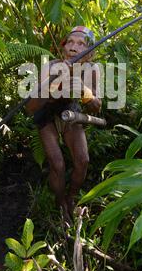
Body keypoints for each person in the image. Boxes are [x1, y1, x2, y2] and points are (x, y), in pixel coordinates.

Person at [26, 26, 101, 224]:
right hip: (47, 114)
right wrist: (55, 83)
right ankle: (60, 204)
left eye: (81, 44)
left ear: (90, 53)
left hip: (71, 111)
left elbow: (96, 107)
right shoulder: (51, 66)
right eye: (70, 42)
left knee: (82, 160)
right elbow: (32, 106)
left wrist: (83, 90)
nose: (74, 47)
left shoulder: (92, 71)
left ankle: (71, 197)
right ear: (63, 48)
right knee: (57, 164)